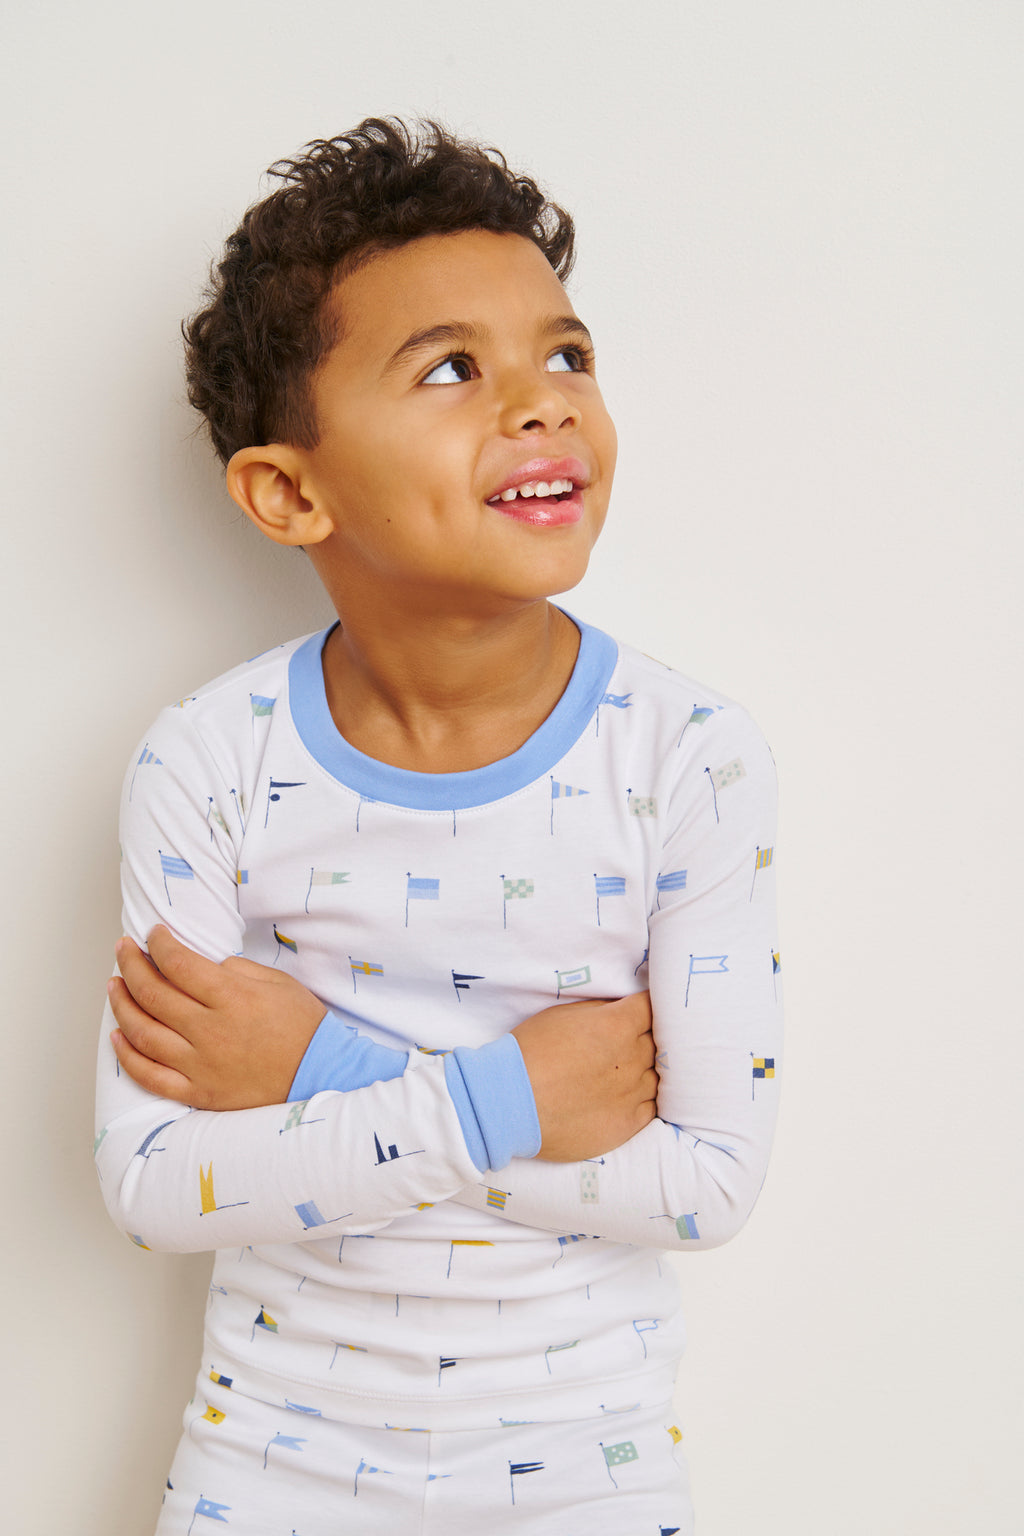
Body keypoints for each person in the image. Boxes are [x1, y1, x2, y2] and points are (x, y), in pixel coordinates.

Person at [96, 117, 781, 1536]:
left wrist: (315, 1067)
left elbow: (707, 1186)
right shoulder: (212, 759)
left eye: (567, 356)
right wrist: (520, 1097)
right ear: (292, 492)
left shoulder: (688, 758)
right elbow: (156, 1185)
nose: (542, 405)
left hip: (587, 1483)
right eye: (454, 368)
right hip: (268, 1474)